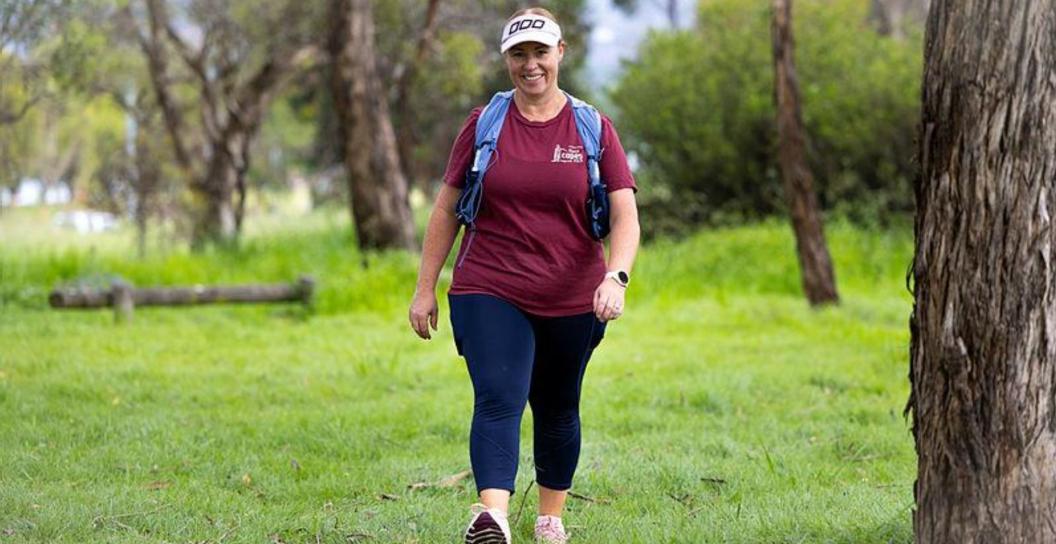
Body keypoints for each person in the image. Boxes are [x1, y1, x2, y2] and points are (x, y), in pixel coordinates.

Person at [408, 7, 640, 543]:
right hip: (490, 285)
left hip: (572, 294)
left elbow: (625, 216)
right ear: (507, 60)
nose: (530, 64)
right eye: (519, 54)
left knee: (558, 405)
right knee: (498, 395)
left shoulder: (592, 128)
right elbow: (446, 209)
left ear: (560, 54)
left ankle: (550, 519)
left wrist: (616, 276)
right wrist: (425, 288)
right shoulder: (485, 123)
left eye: (540, 52)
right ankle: (492, 518)